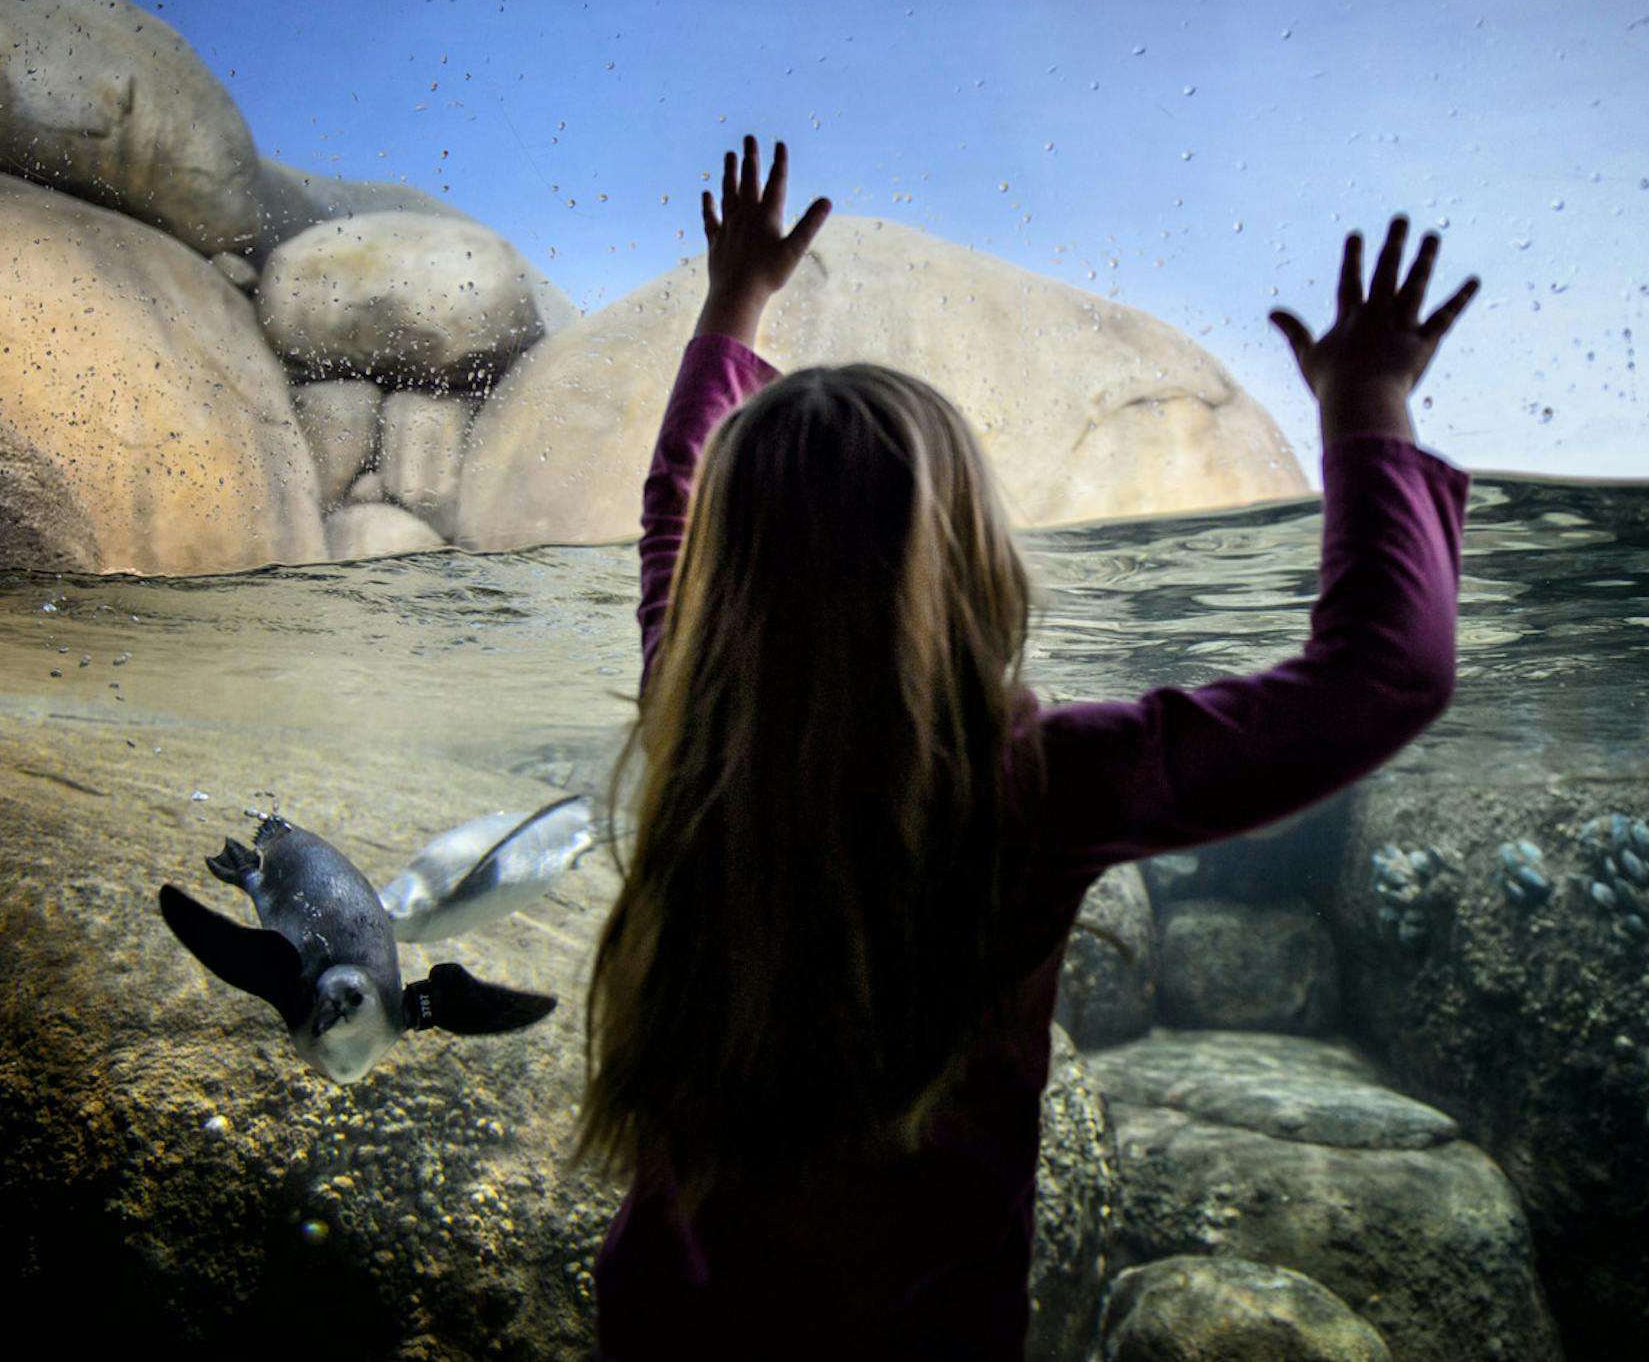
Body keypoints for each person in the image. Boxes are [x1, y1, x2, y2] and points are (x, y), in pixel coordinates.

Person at [580, 135, 1477, 1360]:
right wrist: (1367, 403)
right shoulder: (1027, 785)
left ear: (725, 582)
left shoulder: (698, 732)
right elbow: (1384, 675)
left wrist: (732, 304)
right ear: (967, 562)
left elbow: (674, 508)